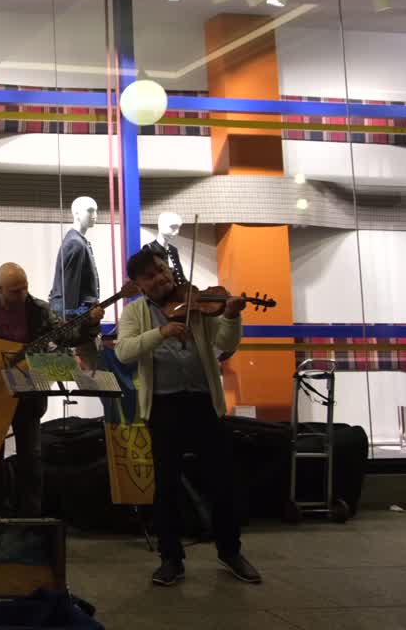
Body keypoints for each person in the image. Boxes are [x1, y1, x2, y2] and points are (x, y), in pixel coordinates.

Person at [114, 249, 261, 587]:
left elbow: (225, 344)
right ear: (138, 285)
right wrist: (162, 333)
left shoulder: (198, 303)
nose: (160, 278)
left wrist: (231, 316)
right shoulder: (135, 312)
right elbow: (124, 352)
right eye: (150, 276)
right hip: (163, 406)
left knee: (222, 481)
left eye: (161, 269)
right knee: (165, 486)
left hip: (204, 402)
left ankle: (230, 551)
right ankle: (171, 559)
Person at [0, 262, 102, 517]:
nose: (22, 295)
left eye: (25, 288)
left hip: (28, 391)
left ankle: (31, 516)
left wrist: (90, 323)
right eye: (15, 291)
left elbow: (66, 337)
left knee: (31, 455)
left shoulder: (39, 310)